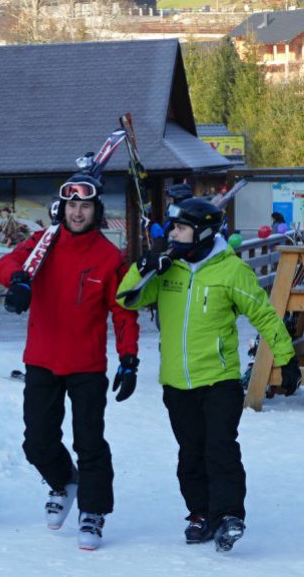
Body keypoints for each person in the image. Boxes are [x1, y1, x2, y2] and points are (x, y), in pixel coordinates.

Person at [118, 198, 300, 552]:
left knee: (220, 448)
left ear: (201, 232)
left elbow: (264, 315)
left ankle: (229, 515)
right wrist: (144, 265)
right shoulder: (167, 268)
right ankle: (201, 514)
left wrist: (285, 359)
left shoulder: (230, 271)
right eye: (173, 227)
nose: (173, 233)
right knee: (190, 453)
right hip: (176, 382)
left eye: (180, 228)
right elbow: (128, 299)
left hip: (219, 380)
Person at [0, 172, 140, 551]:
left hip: (86, 365)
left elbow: (123, 312)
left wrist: (129, 358)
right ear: (64, 208)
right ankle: (64, 482)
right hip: (42, 359)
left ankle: (93, 511)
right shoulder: (43, 242)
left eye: (85, 206)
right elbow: (7, 262)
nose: (78, 213)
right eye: (72, 205)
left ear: (96, 210)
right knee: (36, 441)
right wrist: (19, 280)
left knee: (89, 441)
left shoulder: (109, 257)